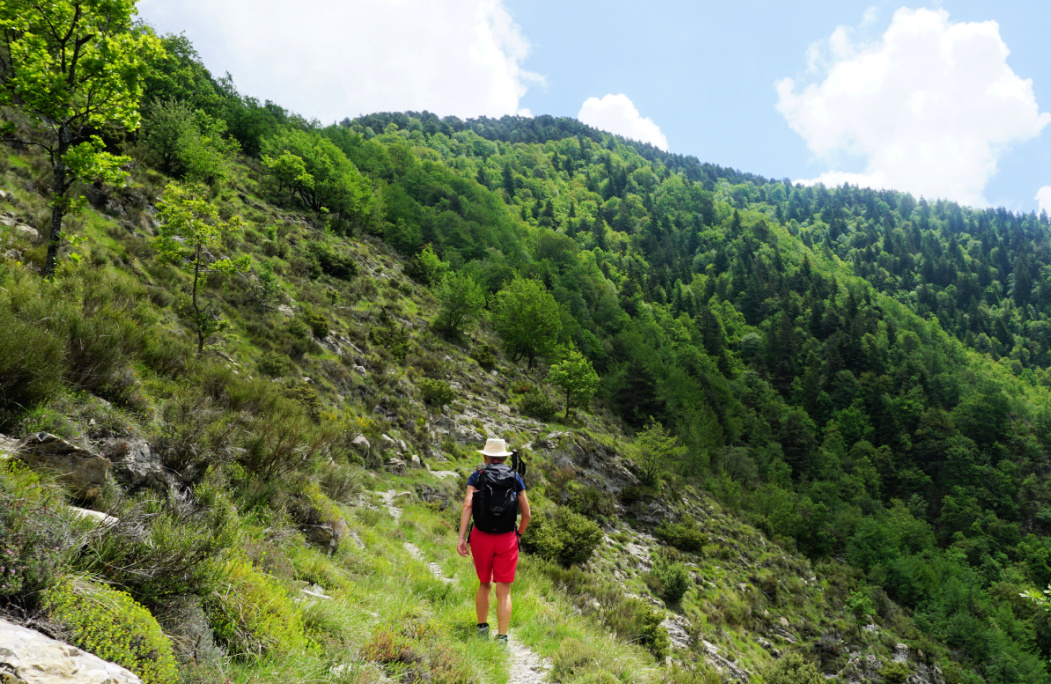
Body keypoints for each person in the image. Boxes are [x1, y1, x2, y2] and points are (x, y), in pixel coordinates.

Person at [457, 438, 530, 644]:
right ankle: (502, 638)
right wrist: (519, 535)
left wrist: (462, 537)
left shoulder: (477, 477)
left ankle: (482, 631)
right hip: (507, 539)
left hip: (481, 537)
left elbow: (467, 506)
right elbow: (527, 515)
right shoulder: (515, 478)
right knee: (504, 591)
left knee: (484, 584)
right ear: (505, 457)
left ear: (485, 456)